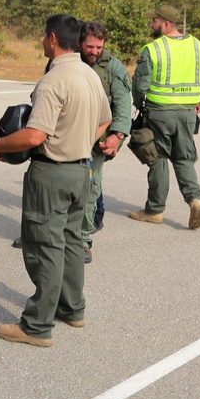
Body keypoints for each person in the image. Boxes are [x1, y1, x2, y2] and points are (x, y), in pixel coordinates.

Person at [0, 14, 110, 348]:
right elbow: (106, 120)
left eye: (43, 36)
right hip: (79, 171)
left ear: (53, 38)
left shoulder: (54, 80)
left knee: (44, 245)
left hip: (52, 173)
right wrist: (80, 141)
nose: (42, 41)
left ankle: (38, 325)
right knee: (70, 241)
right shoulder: (89, 73)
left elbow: (33, 135)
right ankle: (73, 308)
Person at [128, 5, 200, 229]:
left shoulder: (153, 49)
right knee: (183, 158)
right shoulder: (199, 47)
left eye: (155, 21)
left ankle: (154, 210)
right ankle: (195, 200)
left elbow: (140, 85)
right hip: (187, 114)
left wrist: (139, 103)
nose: (152, 24)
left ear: (166, 24)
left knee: (158, 157)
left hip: (159, 113)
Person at [77, 21, 132, 263]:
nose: (94, 51)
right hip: (68, 136)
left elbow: (122, 104)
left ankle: (83, 241)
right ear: (79, 42)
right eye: (90, 46)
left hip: (96, 141)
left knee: (90, 188)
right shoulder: (68, 59)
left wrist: (117, 136)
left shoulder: (113, 68)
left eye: (99, 47)